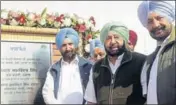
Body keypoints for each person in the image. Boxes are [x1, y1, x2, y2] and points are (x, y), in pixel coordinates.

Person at [84, 21, 146, 104]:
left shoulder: (141, 62)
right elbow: (91, 101)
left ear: (124, 39)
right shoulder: (97, 68)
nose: (112, 41)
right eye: (108, 38)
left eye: (116, 37)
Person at [138, 1, 175, 104]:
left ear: (169, 17)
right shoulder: (150, 59)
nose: (155, 25)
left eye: (159, 18)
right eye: (149, 21)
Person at [42, 28, 92, 104]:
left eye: (70, 44)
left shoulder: (88, 66)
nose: (68, 48)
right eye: (64, 45)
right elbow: (47, 93)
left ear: (75, 45)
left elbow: (93, 92)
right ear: (59, 48)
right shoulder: (53, 69)